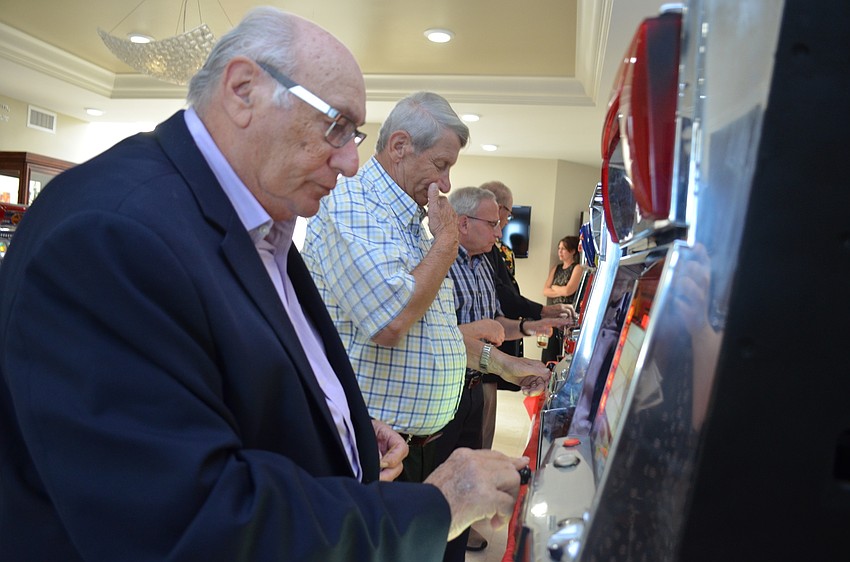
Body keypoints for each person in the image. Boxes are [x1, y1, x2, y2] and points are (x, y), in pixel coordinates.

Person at [0, 9, 529, 561]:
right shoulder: (113, 232)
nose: (351, 162)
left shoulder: (253, 219)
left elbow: (226, 381)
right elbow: (188, 520)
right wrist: (435, 506)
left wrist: (340, 429)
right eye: (336, 126)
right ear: (243, 90)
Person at [301, 92, 549, 493]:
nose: (446, 183)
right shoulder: (354, 207)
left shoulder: (412, 226)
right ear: (400, 146)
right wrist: (447, 242)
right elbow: (392, 321)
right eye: (440, 165)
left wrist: (504, 365)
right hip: (376, 448)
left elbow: (432, 334)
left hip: (415, 445)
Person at [440, 186, 568, 559]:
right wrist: (508, 363)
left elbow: (497, 322)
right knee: (443, 490)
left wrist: (530, 327)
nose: (499, 233)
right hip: (445, 391)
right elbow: (440, 335)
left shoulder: (484, 263)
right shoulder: (439, 262)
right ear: (463, 223)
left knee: (468, 484)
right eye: (492, 224)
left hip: (477, 387)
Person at [479, 180, 574, 448]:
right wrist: (538, 314)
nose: (501, 229)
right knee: (478, 435)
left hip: (488, 355)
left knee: (483, 432)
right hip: (476, 365)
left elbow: (500, 307)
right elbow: (502, 299)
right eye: (505, 216)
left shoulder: (494, 251)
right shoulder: (477, 254)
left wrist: (530, 324)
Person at [541, 235, 584, 363]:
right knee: (549, 350)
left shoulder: (577, 268)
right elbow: (545, 291)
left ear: (572, 251)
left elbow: (568, 291)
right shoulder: (556, 268)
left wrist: (555, 288)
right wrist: (560, 290)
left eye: (563, 249)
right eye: (559, 248)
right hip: (553, 314)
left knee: (561, 350)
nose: (560, 252)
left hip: (567, 315)